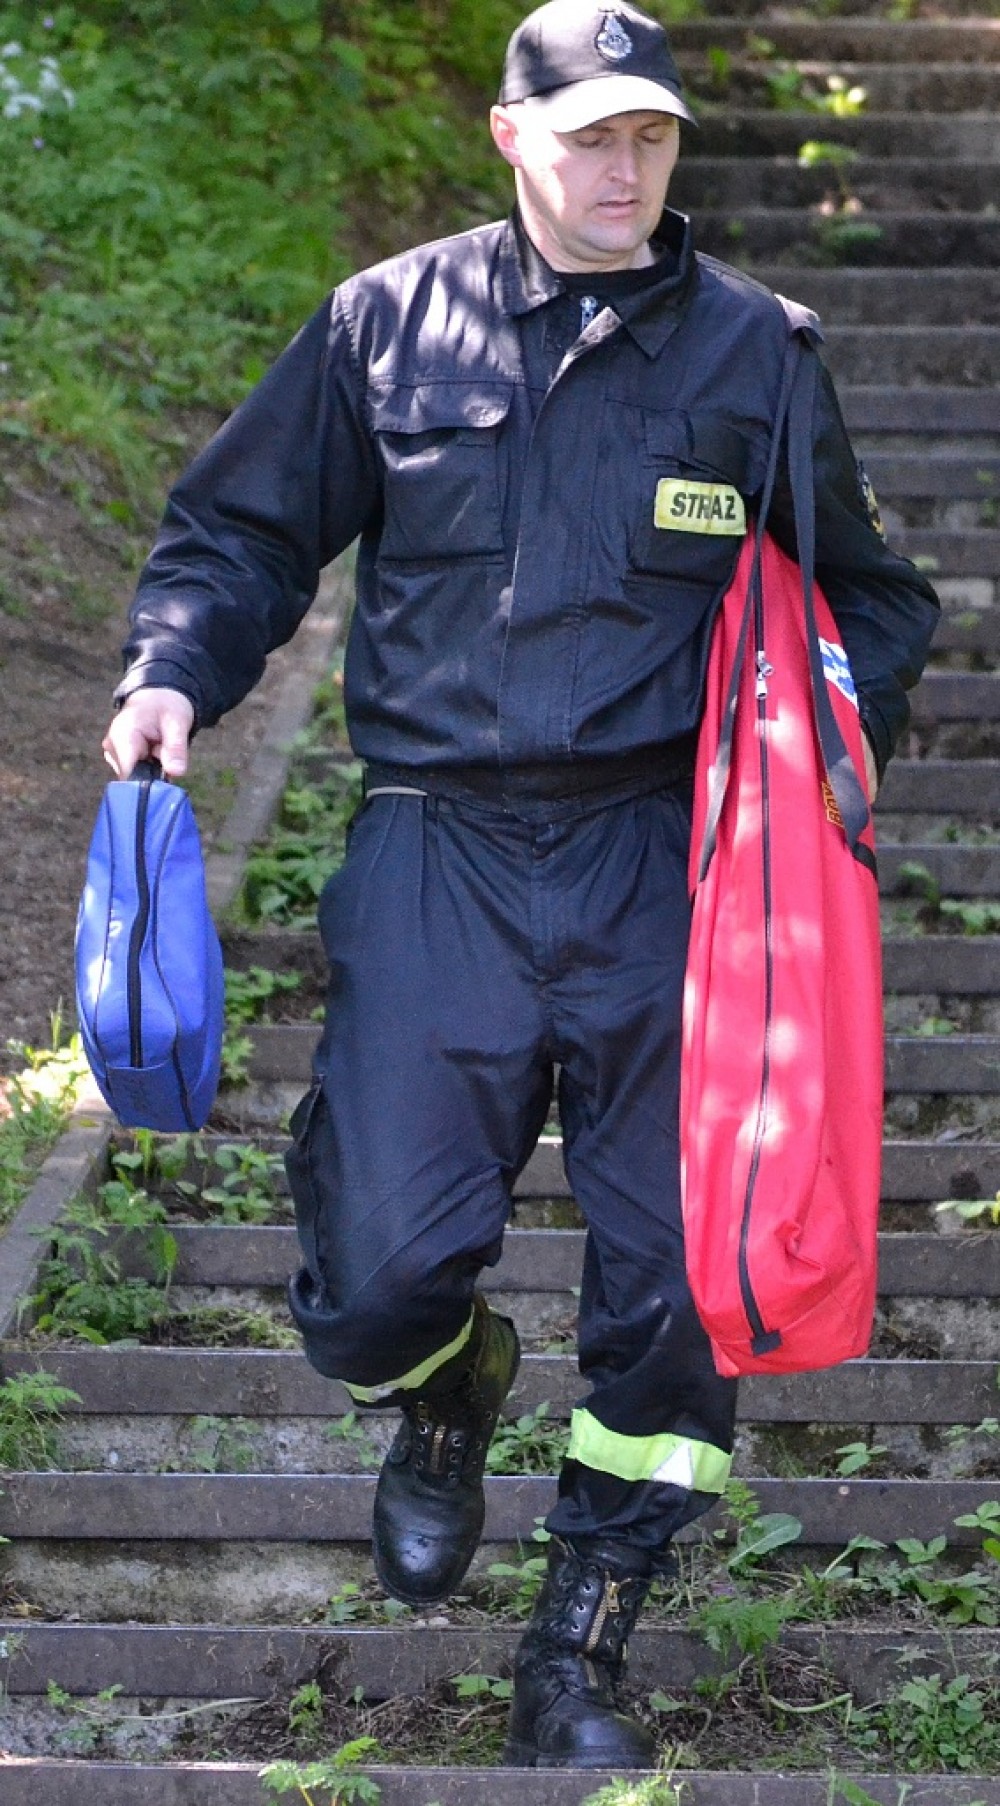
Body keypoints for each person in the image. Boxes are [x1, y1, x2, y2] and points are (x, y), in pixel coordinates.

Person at [102, 0, 939, 1770]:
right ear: (510, 138)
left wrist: (824, 746)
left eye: (650, 137)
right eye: (589, 138)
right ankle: (445, 1388)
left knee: (683, 1280)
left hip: (671, 867)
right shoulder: (387, 325)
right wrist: (173, 669)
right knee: (370, 1273)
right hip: (440, 845)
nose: (624, 171)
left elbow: (870, 598)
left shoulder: (756, 353)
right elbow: (243, 531)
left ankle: (581, 1639)